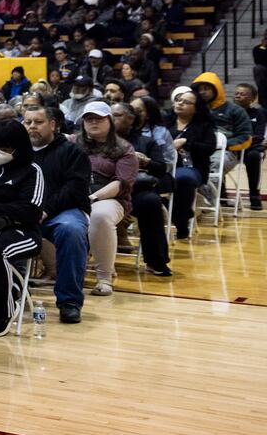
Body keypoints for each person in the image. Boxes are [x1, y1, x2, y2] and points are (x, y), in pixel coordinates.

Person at [0, 120, 46, 335]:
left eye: (4, 149)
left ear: (19, 147)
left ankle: (3, 310)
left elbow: (31, 210)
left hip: (23, 231)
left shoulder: (32, 171)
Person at [23, 105, 92, 322]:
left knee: (71, 231)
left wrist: (45, 210)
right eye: (28, 122)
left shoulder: (72, 152)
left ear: (53, 125)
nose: (32, 126)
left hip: (63, 211)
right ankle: (9, 293)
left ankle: (69, 301)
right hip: (24, 212)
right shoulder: (17, 153)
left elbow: (74, 189)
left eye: (38, 122)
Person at [75, 101, 136, 296]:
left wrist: (93, 197)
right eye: (88, 119)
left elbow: (122, 184)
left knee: (99, 216)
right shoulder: (73, 143)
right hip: (75, 194)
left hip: (110, 198)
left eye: (99, 118)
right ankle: (55, 271)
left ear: (109, 121)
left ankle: (104, 278)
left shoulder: (124, 149)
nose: (93, 122)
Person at [111, 102, 171, 277]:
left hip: (136, 191)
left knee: (151, 202)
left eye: (117, 115)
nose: (111, 118)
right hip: (106, 190)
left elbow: (161, 169)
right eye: (110, 115)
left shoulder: (146, 141)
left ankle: (156, 261)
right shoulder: (100, 141)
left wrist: (146, 162)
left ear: (131, 119)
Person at [168, 86, 215, 241]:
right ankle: (175, 211)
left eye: (186, 102)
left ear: (195, 109)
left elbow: (209, 148)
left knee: (183, 178)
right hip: (163, 165)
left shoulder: (204, 126)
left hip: (192, 167)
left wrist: (186, 143)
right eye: (178, 100)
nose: (180, 103)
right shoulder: (165, 121)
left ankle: (180, 222)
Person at [235, 84, 266, 210]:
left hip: (251, 148)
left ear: (252, 98)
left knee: (253, 156)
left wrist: (244, 142)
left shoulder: (259, 113)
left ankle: (254, 195)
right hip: (232, 148)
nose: (238, 96)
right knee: (217, 157)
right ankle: (221, 194)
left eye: (242, 94)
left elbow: (258, 135)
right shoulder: (229, 111)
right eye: (237, 93)